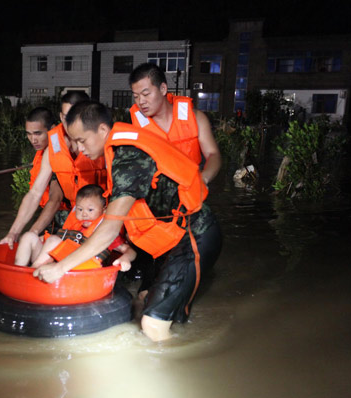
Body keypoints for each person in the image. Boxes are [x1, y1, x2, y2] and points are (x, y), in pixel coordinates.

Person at [34, 101, 222, 342]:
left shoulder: (127, 156)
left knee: (152, 325)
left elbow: (111, 227)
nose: (79, 149)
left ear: (102, 130)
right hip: (169, 238)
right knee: (143, 301)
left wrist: (60, 268)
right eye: (75, 142)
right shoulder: (120, 146)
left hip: (195, 235)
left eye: (82, 140)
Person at [0, 92, 107, 249]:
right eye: (64, 117)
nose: (68, 123)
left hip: (98, 219)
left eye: (73, 116)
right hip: (70, 218)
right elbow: (35, 193)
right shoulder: (53, 148)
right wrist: (13, 233)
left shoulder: (102, 145)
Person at [128, 63, 221, 185]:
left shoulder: (196, 118)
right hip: (155, 195)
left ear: (163, 89)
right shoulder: (135, 127)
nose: (141, 101)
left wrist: (203, 179)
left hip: (190, 188)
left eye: (146, 94)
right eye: (136, 96)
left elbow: (213, 154)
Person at [15, 184, 136, 270]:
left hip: (78, 270)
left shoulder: (105, 232)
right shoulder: (74, 226)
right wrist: (40, 240)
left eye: (90, 209)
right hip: (54, 264)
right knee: (29, 236)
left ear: (103, 210)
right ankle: (17, 270)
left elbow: (129, 251)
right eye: (80, 209)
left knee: (53, 240)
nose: (84, 214)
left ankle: (32, 271)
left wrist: (125, 259)